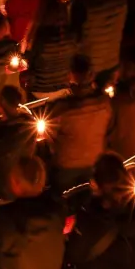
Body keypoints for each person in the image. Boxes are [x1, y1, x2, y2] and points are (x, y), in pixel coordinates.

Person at [49, 56, 113, 191]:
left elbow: (49, 135)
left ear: (71, 76)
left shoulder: (62, 109)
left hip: (66, 166)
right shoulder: (104, 104)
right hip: (94, 162)